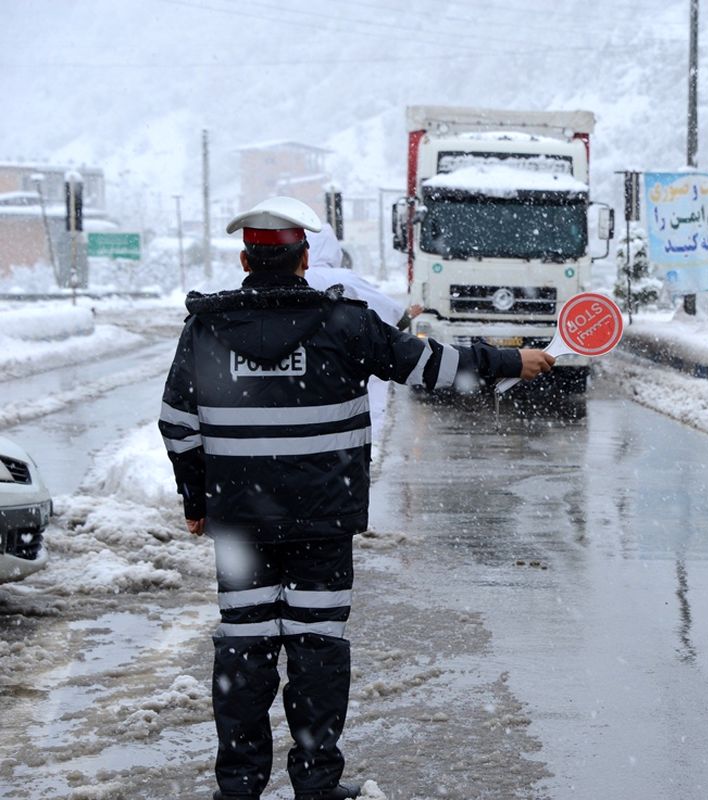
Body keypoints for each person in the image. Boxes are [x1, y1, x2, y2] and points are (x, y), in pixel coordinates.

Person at [158, 196, 553, 800]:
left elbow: (178, 424)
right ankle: (316, 786)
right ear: (304, 259)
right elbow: (428, 365)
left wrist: (196, 499)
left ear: (245, 258)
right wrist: (509, 361)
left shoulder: (206, 330)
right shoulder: (343, 323)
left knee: (245, 646)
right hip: (322, 519)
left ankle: (238, 788)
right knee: (317, 649)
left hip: (240, 526)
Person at [303, 223, 422, 330]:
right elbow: (385, 314)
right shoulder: (342, 278)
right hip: (336, 348)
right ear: (333, 248)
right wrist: (405, 316)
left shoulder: (298, 276)